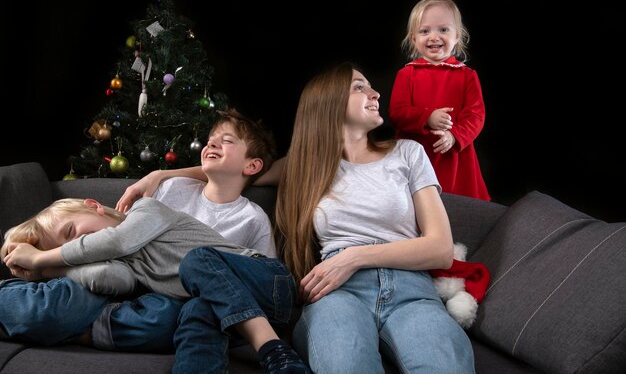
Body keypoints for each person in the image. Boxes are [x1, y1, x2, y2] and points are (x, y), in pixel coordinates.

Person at [1, 108, 310, 374]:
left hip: (269, 282)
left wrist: (39, 261)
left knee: (198, 260)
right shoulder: (129, 260)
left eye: (226, 141)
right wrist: (48, 270)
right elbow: (110, 275)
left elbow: (118, 241)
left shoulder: (148, 211)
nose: (212, 143)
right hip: (216, 305)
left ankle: (273, 350)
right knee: (195, 312)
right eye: (211, 139)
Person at [273, 62, 475, 373]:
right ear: (328, 102)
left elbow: (441, 249)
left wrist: (353, 257)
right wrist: (169, 175)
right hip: (340, 294)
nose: (375, 93)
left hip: (412, 293)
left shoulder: (408, 153)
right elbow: (237, 172)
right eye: (359, 87)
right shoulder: (306, 166)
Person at [389, 0, 490, 201]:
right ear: (413, 38)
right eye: (425, 31)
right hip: (416, 154)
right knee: (413, 207)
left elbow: (476, 116)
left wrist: (455, 136)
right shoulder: (406, 74)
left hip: (453, 156)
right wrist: (426, 118)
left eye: (443, 30)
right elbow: (397, 113)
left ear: (457, 36)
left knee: (461, 210)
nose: (434, 37)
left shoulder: (467, 75)